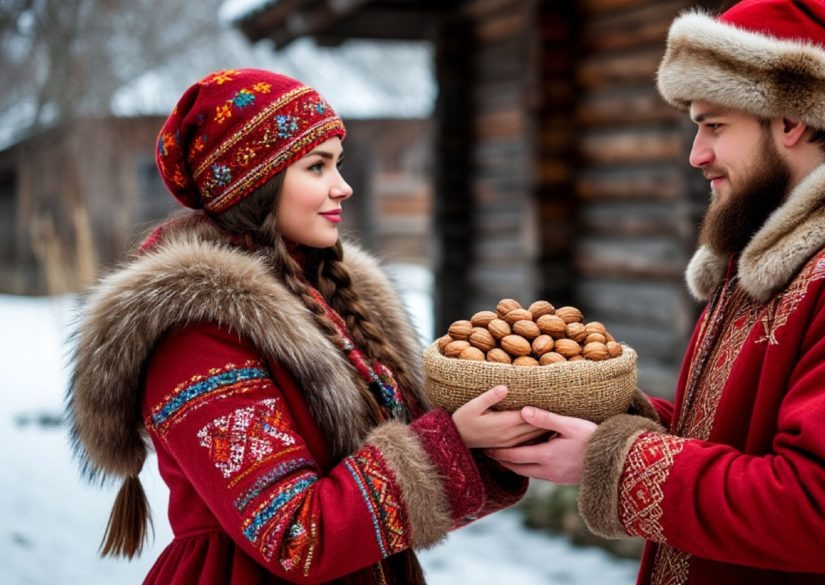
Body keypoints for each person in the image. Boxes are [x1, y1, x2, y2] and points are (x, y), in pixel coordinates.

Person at [488, 1, 825, 583]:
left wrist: (614, 463)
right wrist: (593, 415)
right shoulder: (775, 261)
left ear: (791, 119)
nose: (697, 155)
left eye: (714, 125)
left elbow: (821, 513)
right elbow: (729, 439)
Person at [66, 68, 543, 584]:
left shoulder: (327, 298)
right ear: (255, 184)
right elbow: (297, 537)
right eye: (318, 167)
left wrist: (491, 443)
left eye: (337, 164)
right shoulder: (197, 333)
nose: (344, 186)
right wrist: (444, 442)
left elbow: (395, 508)